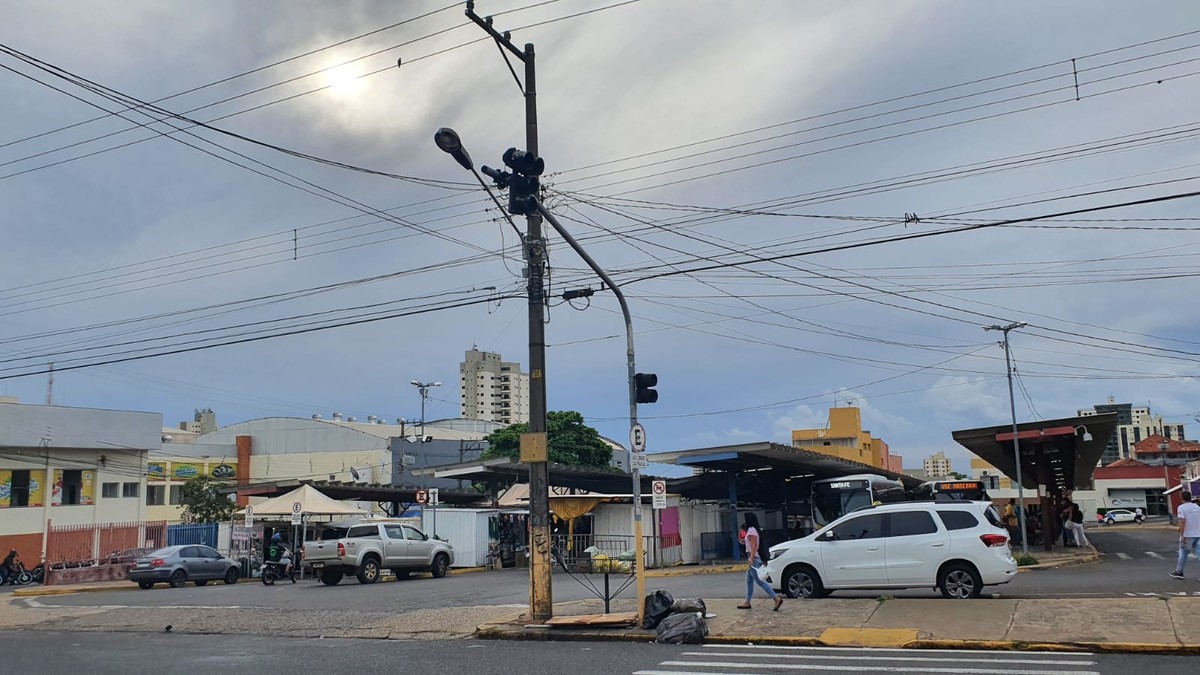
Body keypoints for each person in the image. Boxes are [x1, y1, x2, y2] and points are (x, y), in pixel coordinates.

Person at [736, 513, 782, 611]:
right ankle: (747, 602)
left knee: (759, 581)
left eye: (745, 519)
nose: (744, 521)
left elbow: (754, 545)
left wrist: (751, 558)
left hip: (754, 558)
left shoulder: (751, 530)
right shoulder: (754, 529)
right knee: (749, 579)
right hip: (755, 557)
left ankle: (776, 598)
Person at [1170, 490, 1200, 579]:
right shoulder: (1197, 507)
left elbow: (1182, 521)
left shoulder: (1181, 508)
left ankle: (1179, 571)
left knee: (1183, 553)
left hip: (1188, 535)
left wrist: (1182, 535)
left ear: (1182, 498)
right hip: (1198, 534)